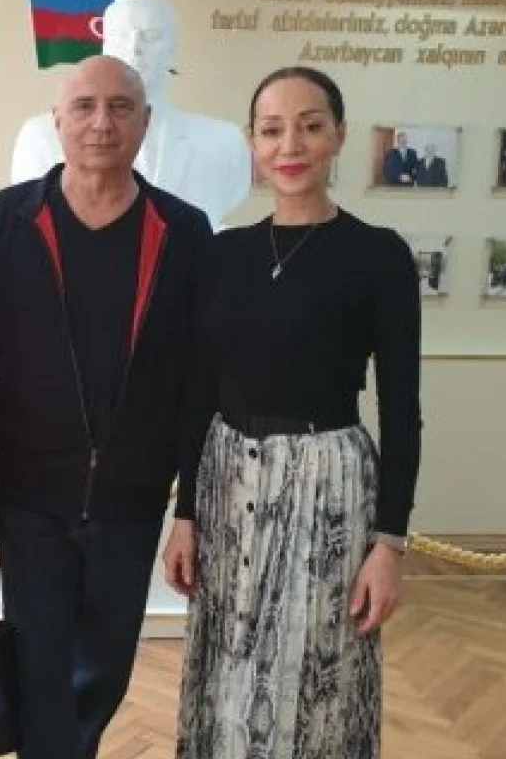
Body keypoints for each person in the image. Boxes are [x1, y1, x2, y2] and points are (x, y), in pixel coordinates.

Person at [164, 66, 422, 758]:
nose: (291, 146)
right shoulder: (223, 254)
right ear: (252, 141)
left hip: (328, 488)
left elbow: (402, 411)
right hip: (227, 480)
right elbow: (199, 389)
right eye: (272, 130)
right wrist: (185, 513)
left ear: (339, 135)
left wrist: (390, 545)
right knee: (228, 664)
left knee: (317, 676)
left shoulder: (378, 256)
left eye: (310, 126)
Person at [0, 55, 212, 759]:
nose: (101, 123)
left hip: (131, 500)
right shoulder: (4, 220)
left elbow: (200, 379)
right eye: (83, 107)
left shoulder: (183, 230)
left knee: (105, 671)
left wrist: (191, 506)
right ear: (57, 121)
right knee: (39, 668)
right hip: (30, 497)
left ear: (145, 120)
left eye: (119, 107)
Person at [11, 0, 250, 230]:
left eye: (152, 36)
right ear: (105, 44)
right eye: (122, 35)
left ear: (173, 49)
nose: (135, 48)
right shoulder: (40, 135)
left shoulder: (224, 141)